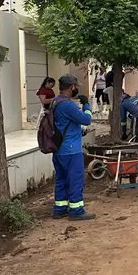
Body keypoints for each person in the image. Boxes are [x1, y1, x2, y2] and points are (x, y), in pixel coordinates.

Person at [51, 74, 95, 221]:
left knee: (61, 179)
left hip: (58, 150)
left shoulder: (55, 102)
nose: (76, 89)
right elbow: (86, 119)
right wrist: (87, 105)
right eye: (76, 86)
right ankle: (76, 210)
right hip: (71, 150)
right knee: (75, 179)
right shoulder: (67, 105)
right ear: (71, 87)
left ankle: (59, 209)